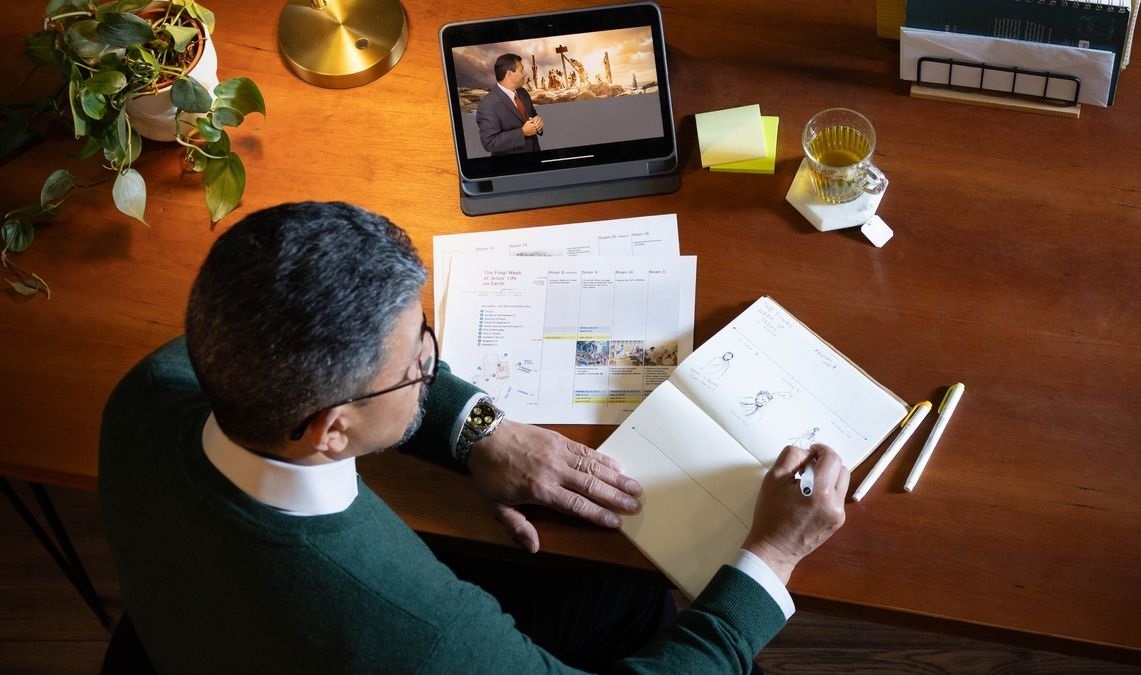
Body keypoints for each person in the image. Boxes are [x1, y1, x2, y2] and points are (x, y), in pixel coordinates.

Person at [99, 201, 850, 673]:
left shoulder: (150, 390)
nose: (435, 363)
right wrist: (772, 556)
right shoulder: (414, 629)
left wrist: (476, 429)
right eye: (419, 365)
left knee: (621, 594)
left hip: (199, 617)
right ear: (334, 431)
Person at [477, 53, 543, 155]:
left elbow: (533, 117)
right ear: (509, 74)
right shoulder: (487, 105)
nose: (525, 74)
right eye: (521, 70)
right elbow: (489, 143)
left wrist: (538, 124)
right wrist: (522, 132)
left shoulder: (523, 93)